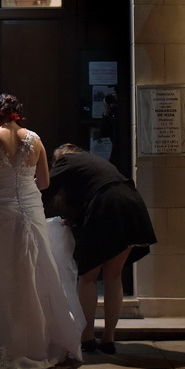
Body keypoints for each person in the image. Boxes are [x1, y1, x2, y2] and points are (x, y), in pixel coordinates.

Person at [0, 94, 84, 369]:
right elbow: (44, 183)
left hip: (0, 214)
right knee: (35, 275)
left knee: (2, 278)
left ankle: (7, 344)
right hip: (30, 212)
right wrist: (22, 187)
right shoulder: (35, 139)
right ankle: (36, 343)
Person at [44, 144, 157, 355]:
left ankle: (87, 337)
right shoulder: (96, 163)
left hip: (107, 206)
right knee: (114, 276)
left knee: (88, 276)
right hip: (131, 203)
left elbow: (45, 185)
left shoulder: (67, 161)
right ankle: (108, 338)